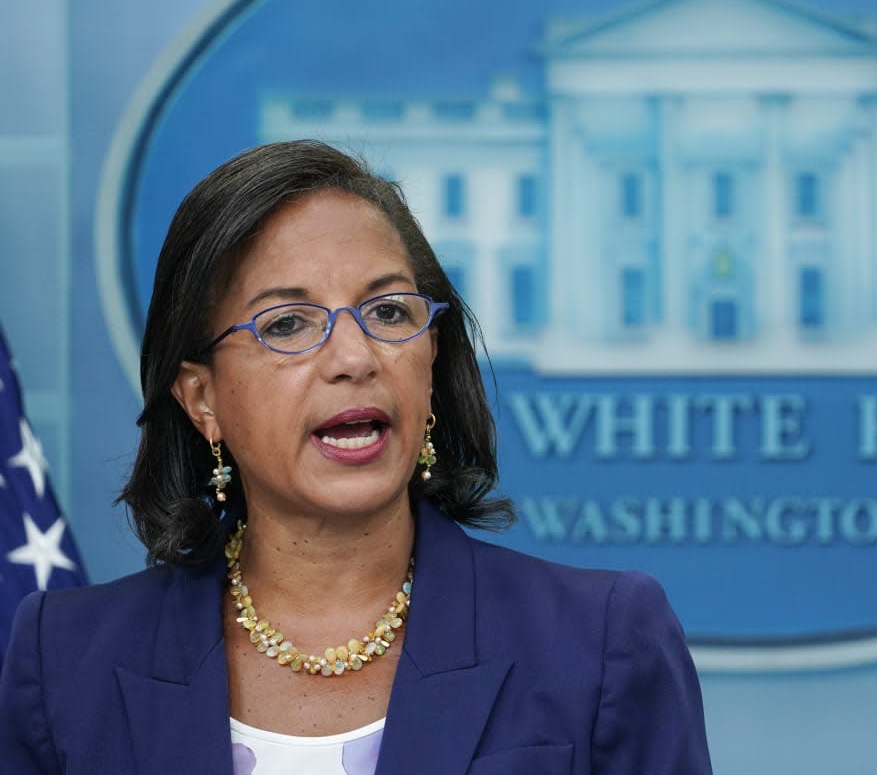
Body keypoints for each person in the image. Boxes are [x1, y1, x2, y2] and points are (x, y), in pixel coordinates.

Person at [0, 140, 712, 774]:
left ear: (432, 355)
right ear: (201, 397)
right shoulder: (63, 659)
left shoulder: (601, 640)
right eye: (287, 323)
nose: (354, 357)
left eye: (390, 311)